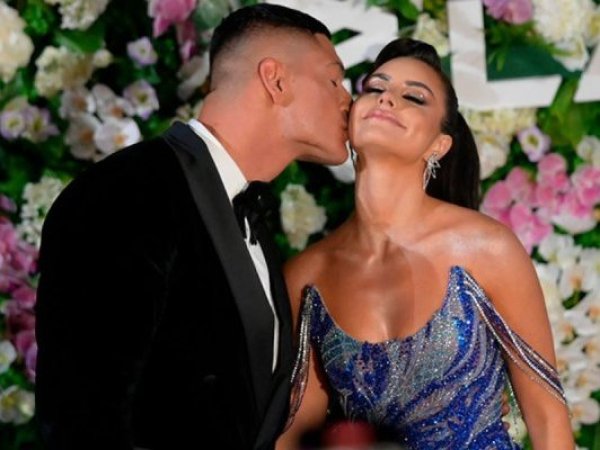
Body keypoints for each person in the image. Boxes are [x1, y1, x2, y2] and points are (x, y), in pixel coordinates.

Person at [34, 4, 351, 450]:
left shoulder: (248, 214)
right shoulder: (125, 193)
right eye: (334, 80)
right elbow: (82, 420)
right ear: (276, 81)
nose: (348, 99)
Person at [277, 38, 574, 449]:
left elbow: (549, 421)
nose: (387, 99)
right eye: (375, 88)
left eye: (413, 97)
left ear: (440, 144)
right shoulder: (306, 276)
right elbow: (296, 437)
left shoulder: (487, 248)